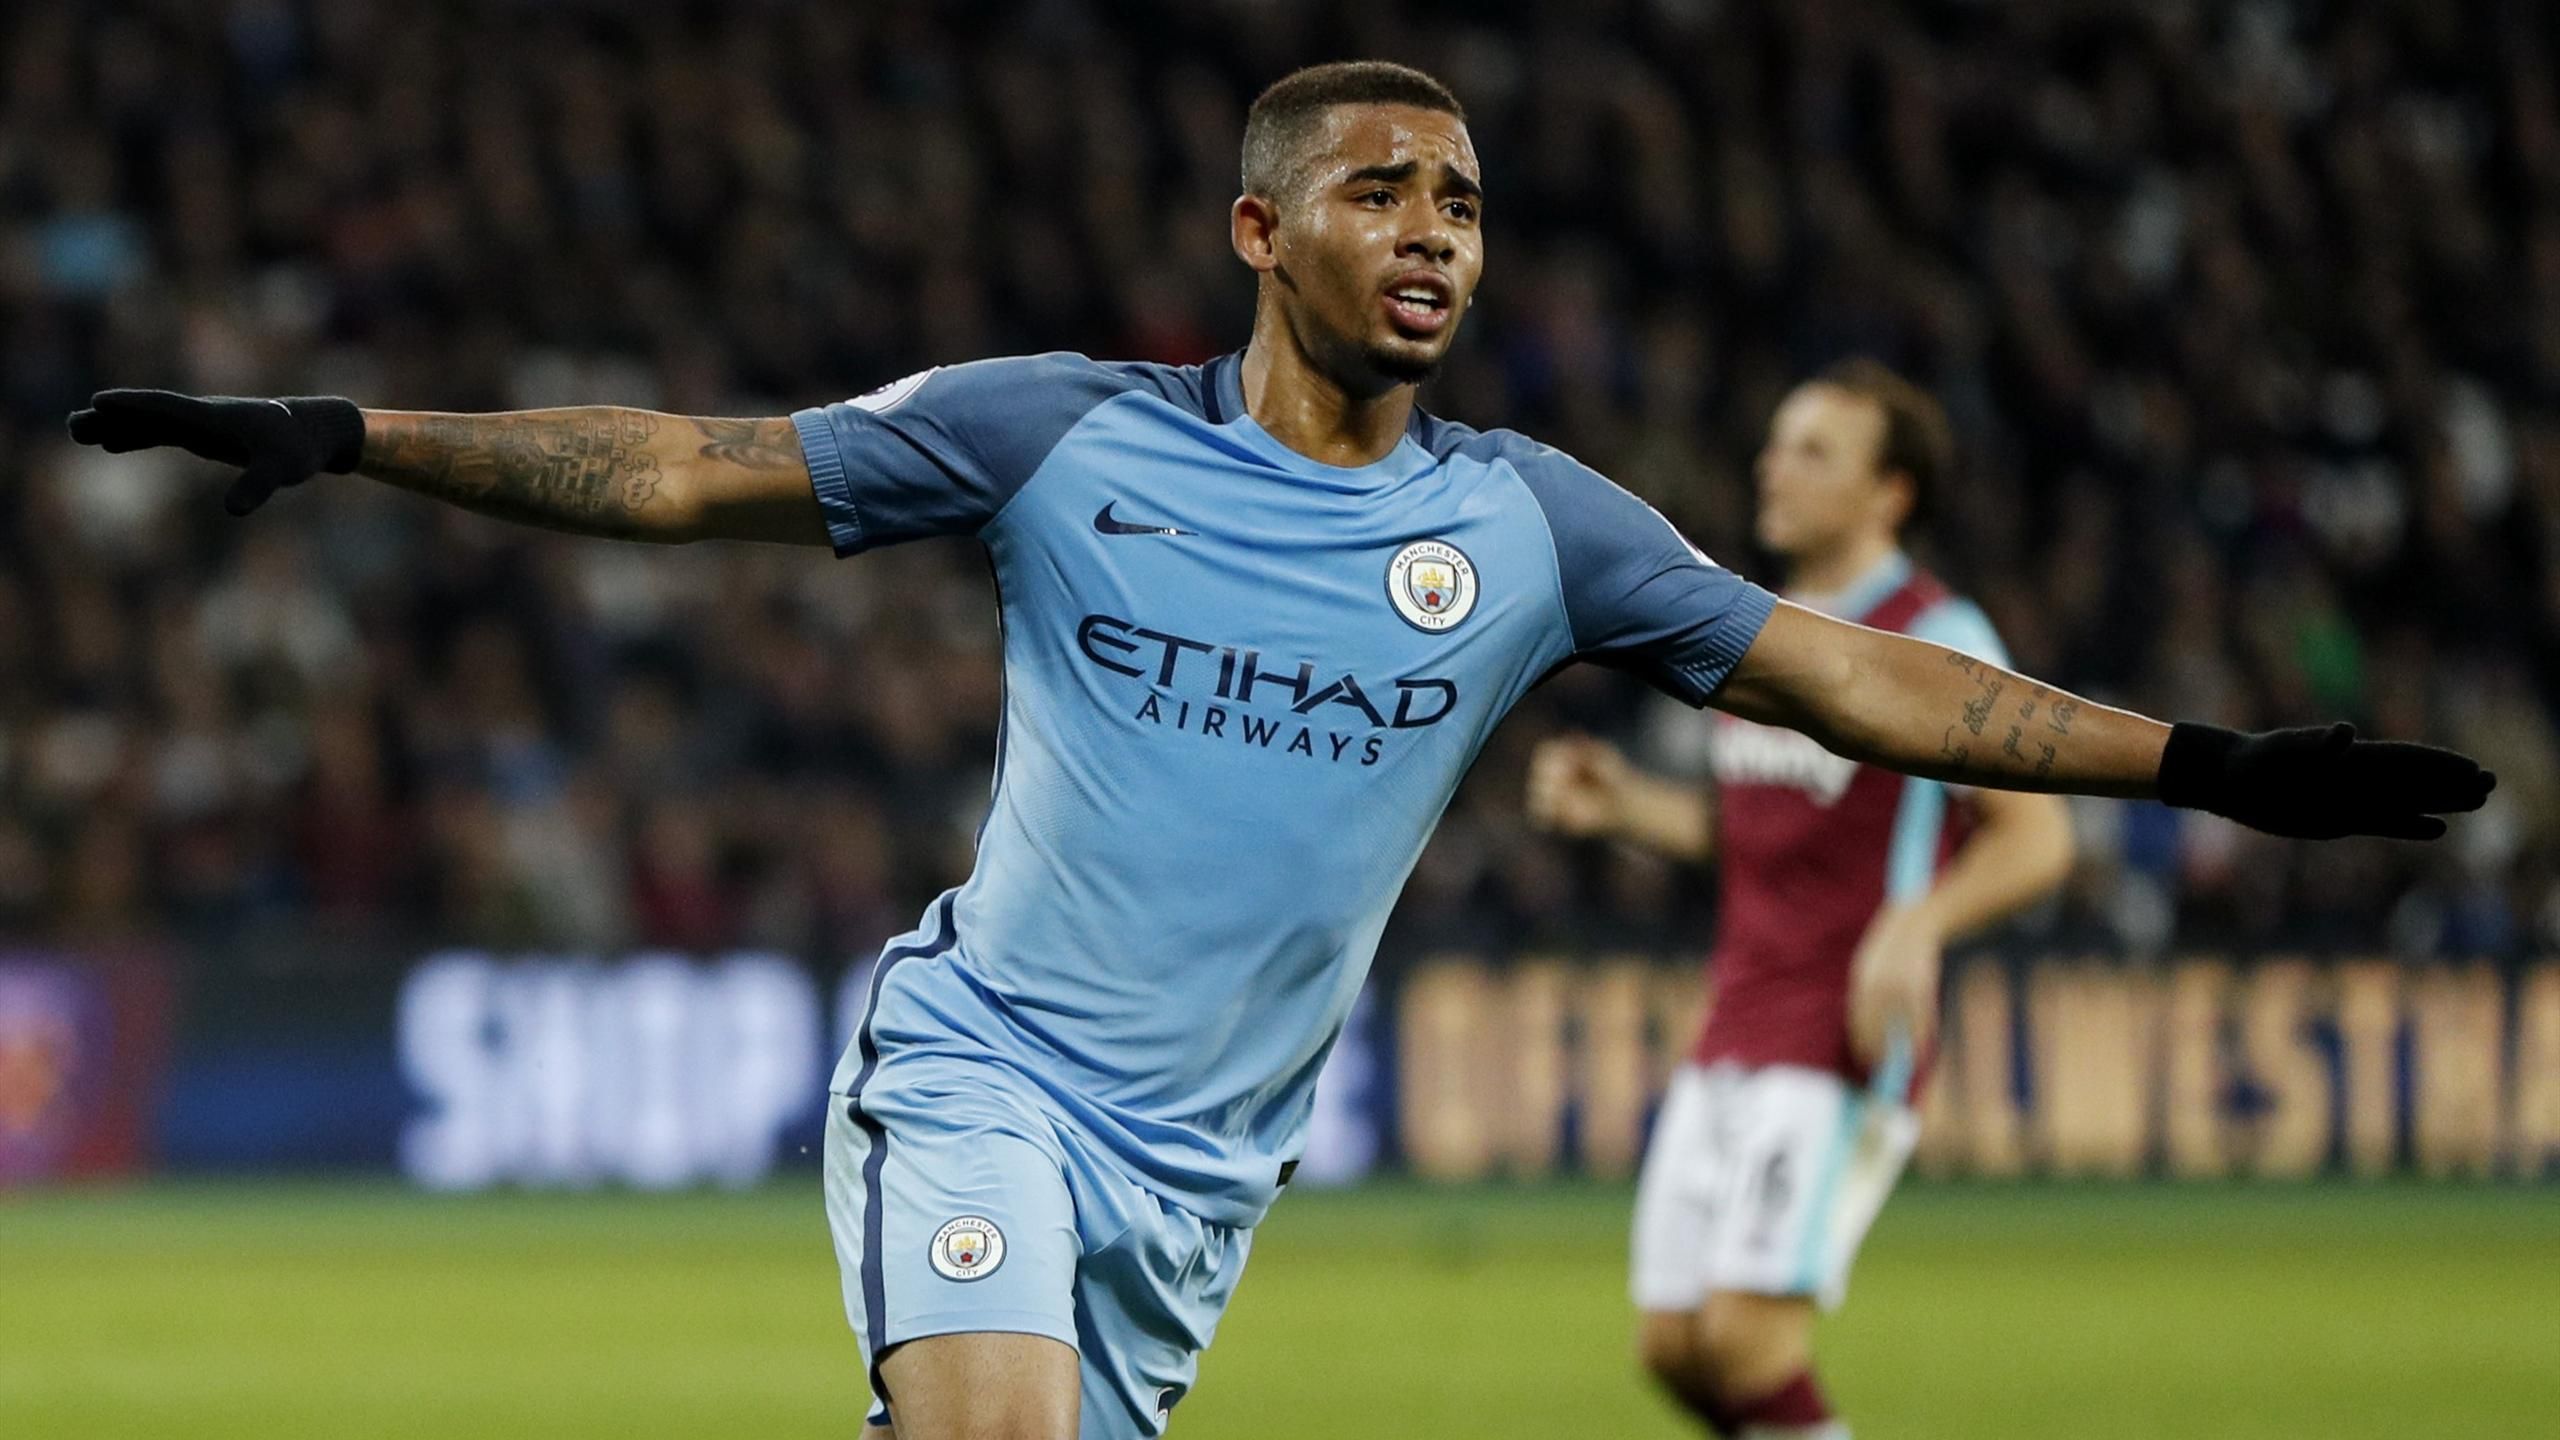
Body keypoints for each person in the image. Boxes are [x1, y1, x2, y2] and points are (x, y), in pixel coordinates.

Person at [68, 60, 2490, 1440]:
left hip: (1202, 1181)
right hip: (987, 1070)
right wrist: (346, 431)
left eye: (1463, 203)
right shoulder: (1055, 435)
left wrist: (2202, 766)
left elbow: (1864, 682)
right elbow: (684, 466)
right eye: (1378, 191)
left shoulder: (1534, 527)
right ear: (1257, 230)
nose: (1433, 232)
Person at [1528, 360, 2072, 1439]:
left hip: (1840, 1029)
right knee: (1675, 1347)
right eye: (1778, 444)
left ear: (1889, 494)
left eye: (1815, 452)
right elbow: (1756, 830)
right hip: (1738, 1014)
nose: (1774, 467)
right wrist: (1627, 806)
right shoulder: (1761, 627)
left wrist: (1918, 924)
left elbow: (2039, 833)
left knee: (1745, 1339)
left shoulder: (1935, 637)